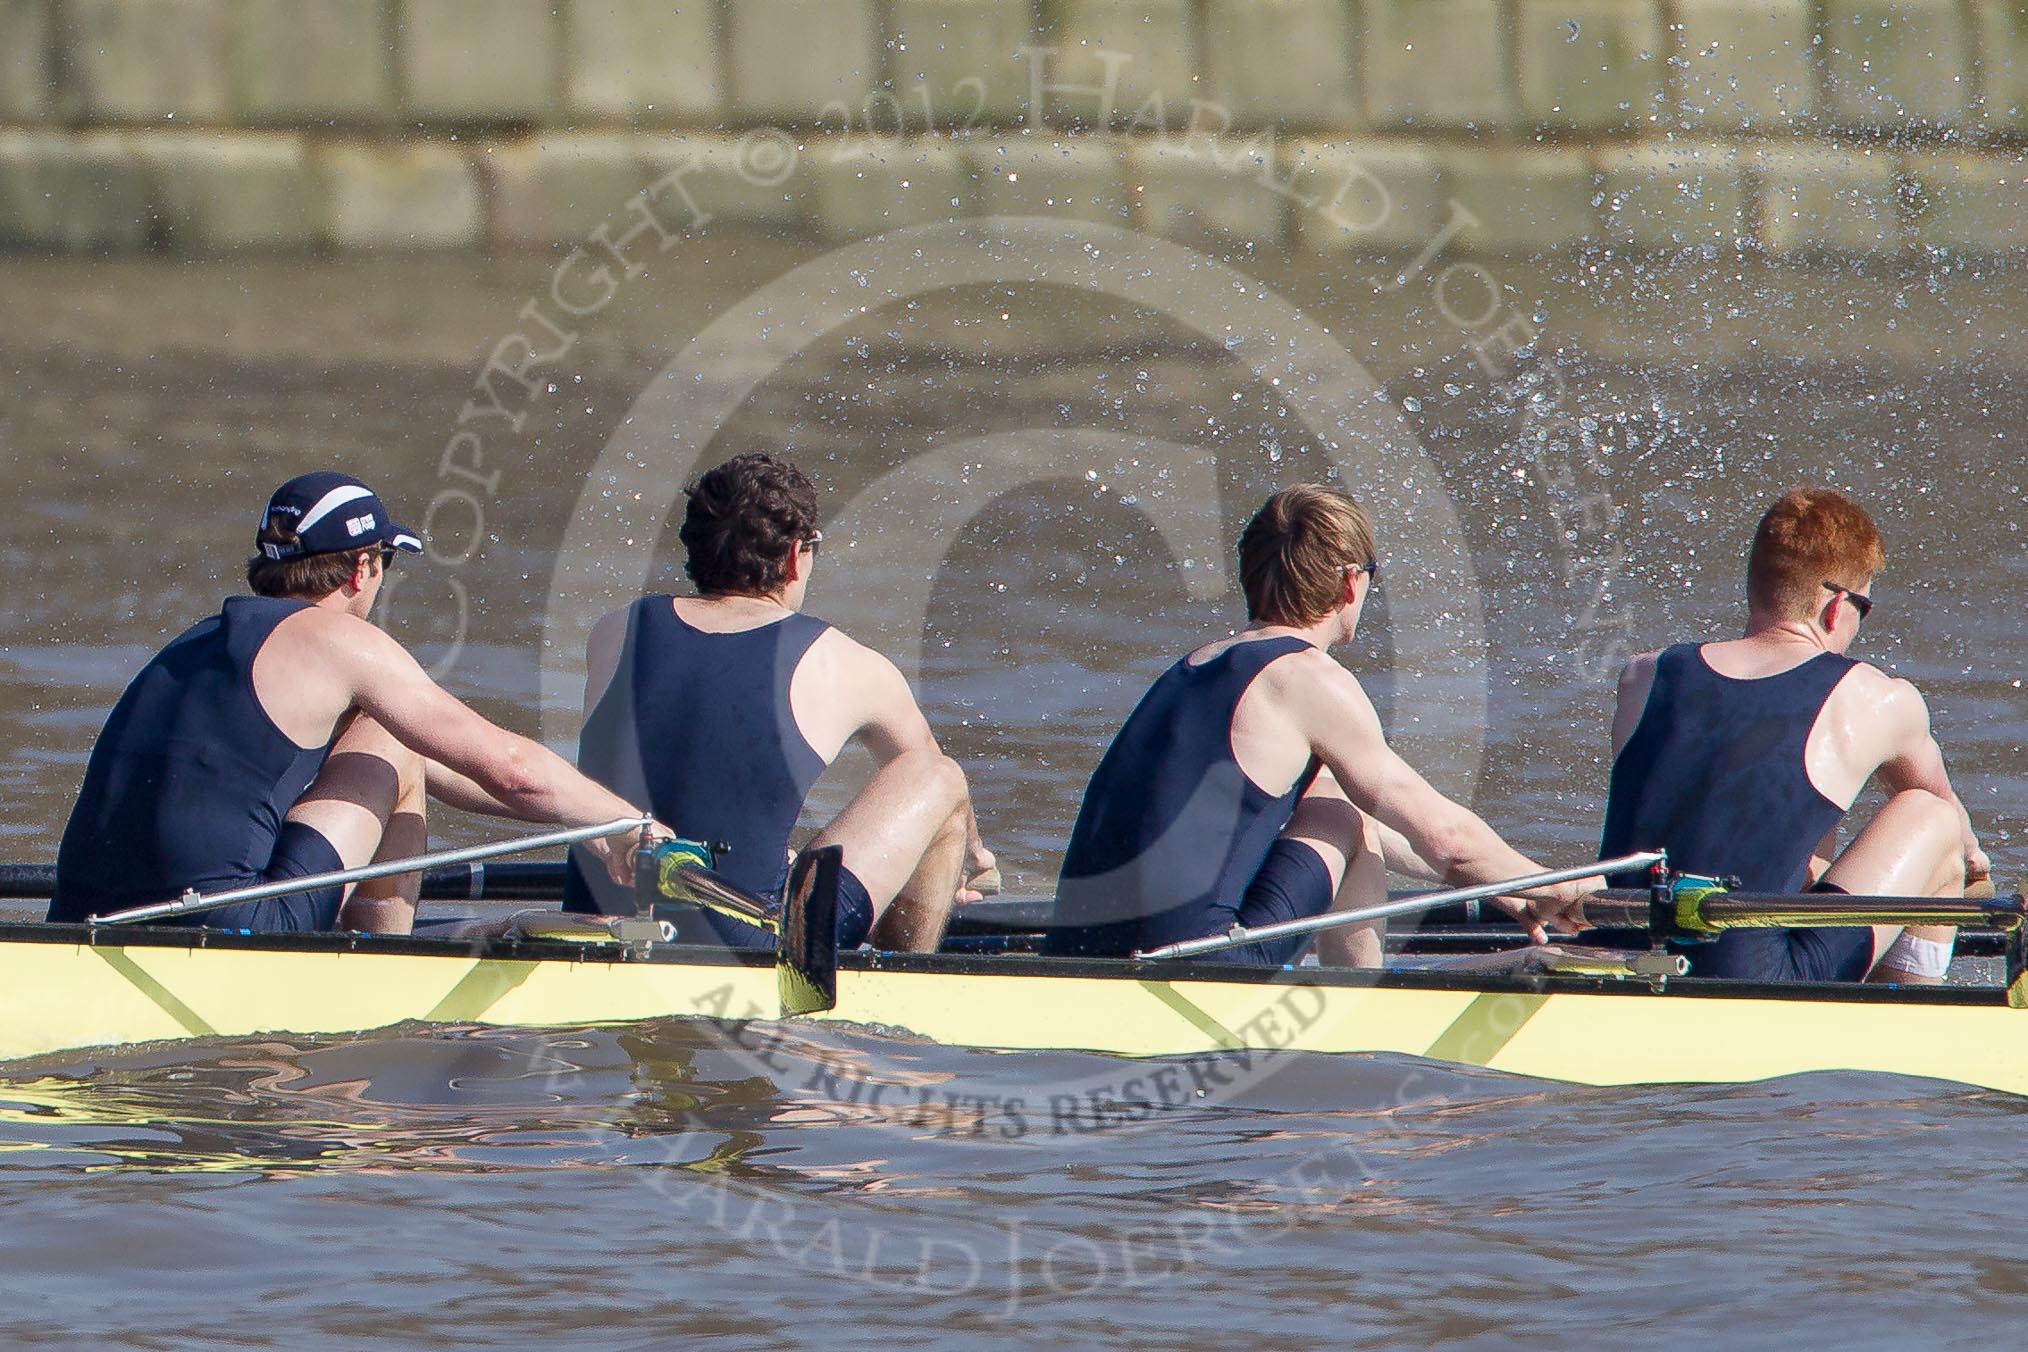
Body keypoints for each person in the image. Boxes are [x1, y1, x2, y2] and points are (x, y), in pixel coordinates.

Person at [51, 472, 659, 933]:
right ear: (362, 568)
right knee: (393, 735)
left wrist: (591, 823)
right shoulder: (340, 643)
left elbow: (453, 768)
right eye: (386, 561)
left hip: (81, 917)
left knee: (398, 738)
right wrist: (639, 826)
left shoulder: (194, 642)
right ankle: (383, 959)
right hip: (228, 923)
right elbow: (512, 771)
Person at [1044, 482, 1594, 965]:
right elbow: (1446, 838)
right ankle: (1354, 1012)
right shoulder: (1308, 679)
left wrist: (1504, 886)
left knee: (1339, 797)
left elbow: (1409, 832)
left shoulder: (1197, 665)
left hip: (1077, 952)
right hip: (1195, 965)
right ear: (1350, 582)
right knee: (1349, 819)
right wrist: (1560, 886)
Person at [564, 453, 994, 952]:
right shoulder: (847, 663)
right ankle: (907, 971)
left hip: (594, 924)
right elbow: (934, 799)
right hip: (751, 941)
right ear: (794, 556)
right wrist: (973, 861)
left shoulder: (615, 631)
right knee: (939, 776)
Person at [1597, 487, 1988, 983]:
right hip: (1756, 977)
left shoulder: (1645, 675)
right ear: (1837, 606)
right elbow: (1962, 843)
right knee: (1933, 817)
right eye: (1864, 607)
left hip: (1613, 950)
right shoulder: (1878, 697)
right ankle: (1911, 1013)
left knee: (1804, 827)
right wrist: (1979, 877)